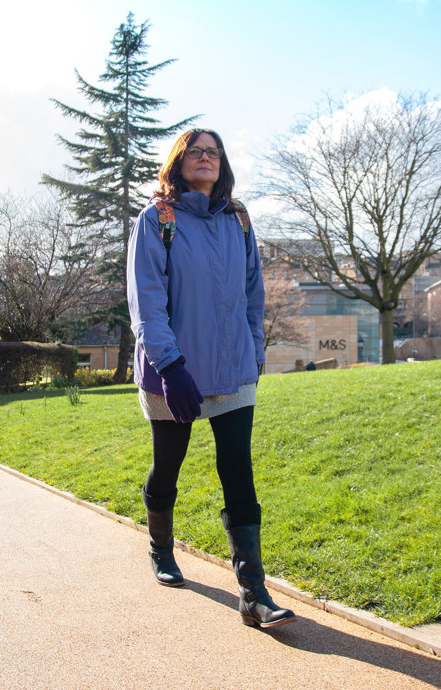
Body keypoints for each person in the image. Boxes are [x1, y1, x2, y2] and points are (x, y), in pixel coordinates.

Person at [126, 128, 295, 629]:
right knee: (169, 466)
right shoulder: (157, 219)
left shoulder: (238, 220)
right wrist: (170, 366)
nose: (206, 158)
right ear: (179, 162)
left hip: (232, 368)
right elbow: (146, 301)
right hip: (173, 371)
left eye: (214, 153)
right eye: (196, 151)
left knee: (238, 471)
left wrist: (255, 354)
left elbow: (253, 293)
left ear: (222, 164)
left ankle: (254, 593)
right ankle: (160, 549)